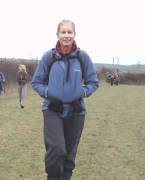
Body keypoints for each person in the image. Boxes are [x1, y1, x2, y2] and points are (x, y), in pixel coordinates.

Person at [31, 19, 99, 180]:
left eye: (70, 32)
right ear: (57, 34)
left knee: (69, 153)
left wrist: (81, 92)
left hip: (76, 111)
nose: (66, 35)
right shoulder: (49, 57)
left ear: (74, 34)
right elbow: (36, 82)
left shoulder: (83, 57)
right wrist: (48, 92)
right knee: (56, 149)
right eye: (63, 32)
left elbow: (93, 82)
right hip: (52, 109)